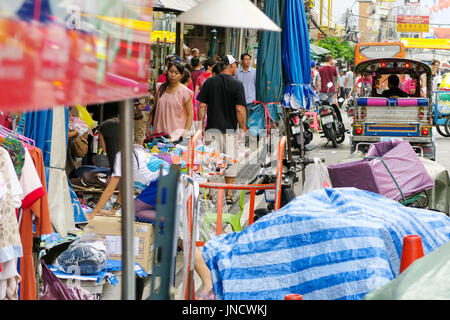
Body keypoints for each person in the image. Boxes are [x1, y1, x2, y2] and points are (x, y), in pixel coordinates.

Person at [86, 119, 214, 299]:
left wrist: (92, 214)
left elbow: (111, 189)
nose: (100, 143)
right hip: (176, 185)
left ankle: (167, 220)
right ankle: (208, 282)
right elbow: (123, 187)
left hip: (168, 184)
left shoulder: (122, 155)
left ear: (109, 138)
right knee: (183, 240)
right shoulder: (129, 153)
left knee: (135, 210)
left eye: (100, 139)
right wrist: (114, 209)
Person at [197, 55, 247, 204]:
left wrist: (200, 126)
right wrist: (242, 127)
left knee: (211, 161)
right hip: (230, 130)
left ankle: (210, 193)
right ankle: (229, 194)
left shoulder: (209, 82)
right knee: (230, 161)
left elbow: (201, 106)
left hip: (211, 129)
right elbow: (240, 109)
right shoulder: (237, 84)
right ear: (231, 66)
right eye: (235, 65)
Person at [148, 61, 194, 141]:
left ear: (181, 75)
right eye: (171, 71)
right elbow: (154, 108)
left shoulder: (185, 92)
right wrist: (148, 126)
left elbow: (190, 114)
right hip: (158, 134)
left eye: (176, 73)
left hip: (176, 136)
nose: (173, 75)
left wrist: (185, 133)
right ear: (167, 72)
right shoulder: (160, 88)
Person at [235, 53, 256, 120]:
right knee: (239, 120)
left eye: (249, 59)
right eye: (246, 59)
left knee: (249, 121)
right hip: (239, 101)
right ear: (242, 61)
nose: (248, 61)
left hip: (251, 101)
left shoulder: (254, 72)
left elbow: (257, 85)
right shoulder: (237, 71)